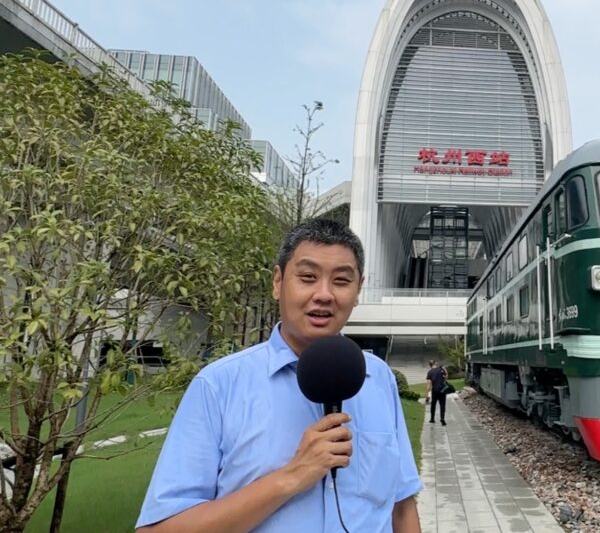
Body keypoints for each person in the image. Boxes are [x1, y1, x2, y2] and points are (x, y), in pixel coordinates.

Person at [136, 219, 422, 533]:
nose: (324, 294)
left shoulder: (378, 377)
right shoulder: (218, 386)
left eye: (341, 280)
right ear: (277, 282)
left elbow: (402, 507)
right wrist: (293, 476)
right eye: (308, 277)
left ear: (358, 291)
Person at [425, 360, 448, 426]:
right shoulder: (441, 369)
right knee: (442, 404)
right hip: (443, 390)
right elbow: (446, 377)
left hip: (435, 390)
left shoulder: (430, 372)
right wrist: (445, 372)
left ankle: (432, 419)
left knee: (433, 404)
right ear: (435, 363)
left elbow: (429, 384)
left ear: (430, 365)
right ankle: (442, 418)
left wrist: (427, 394)